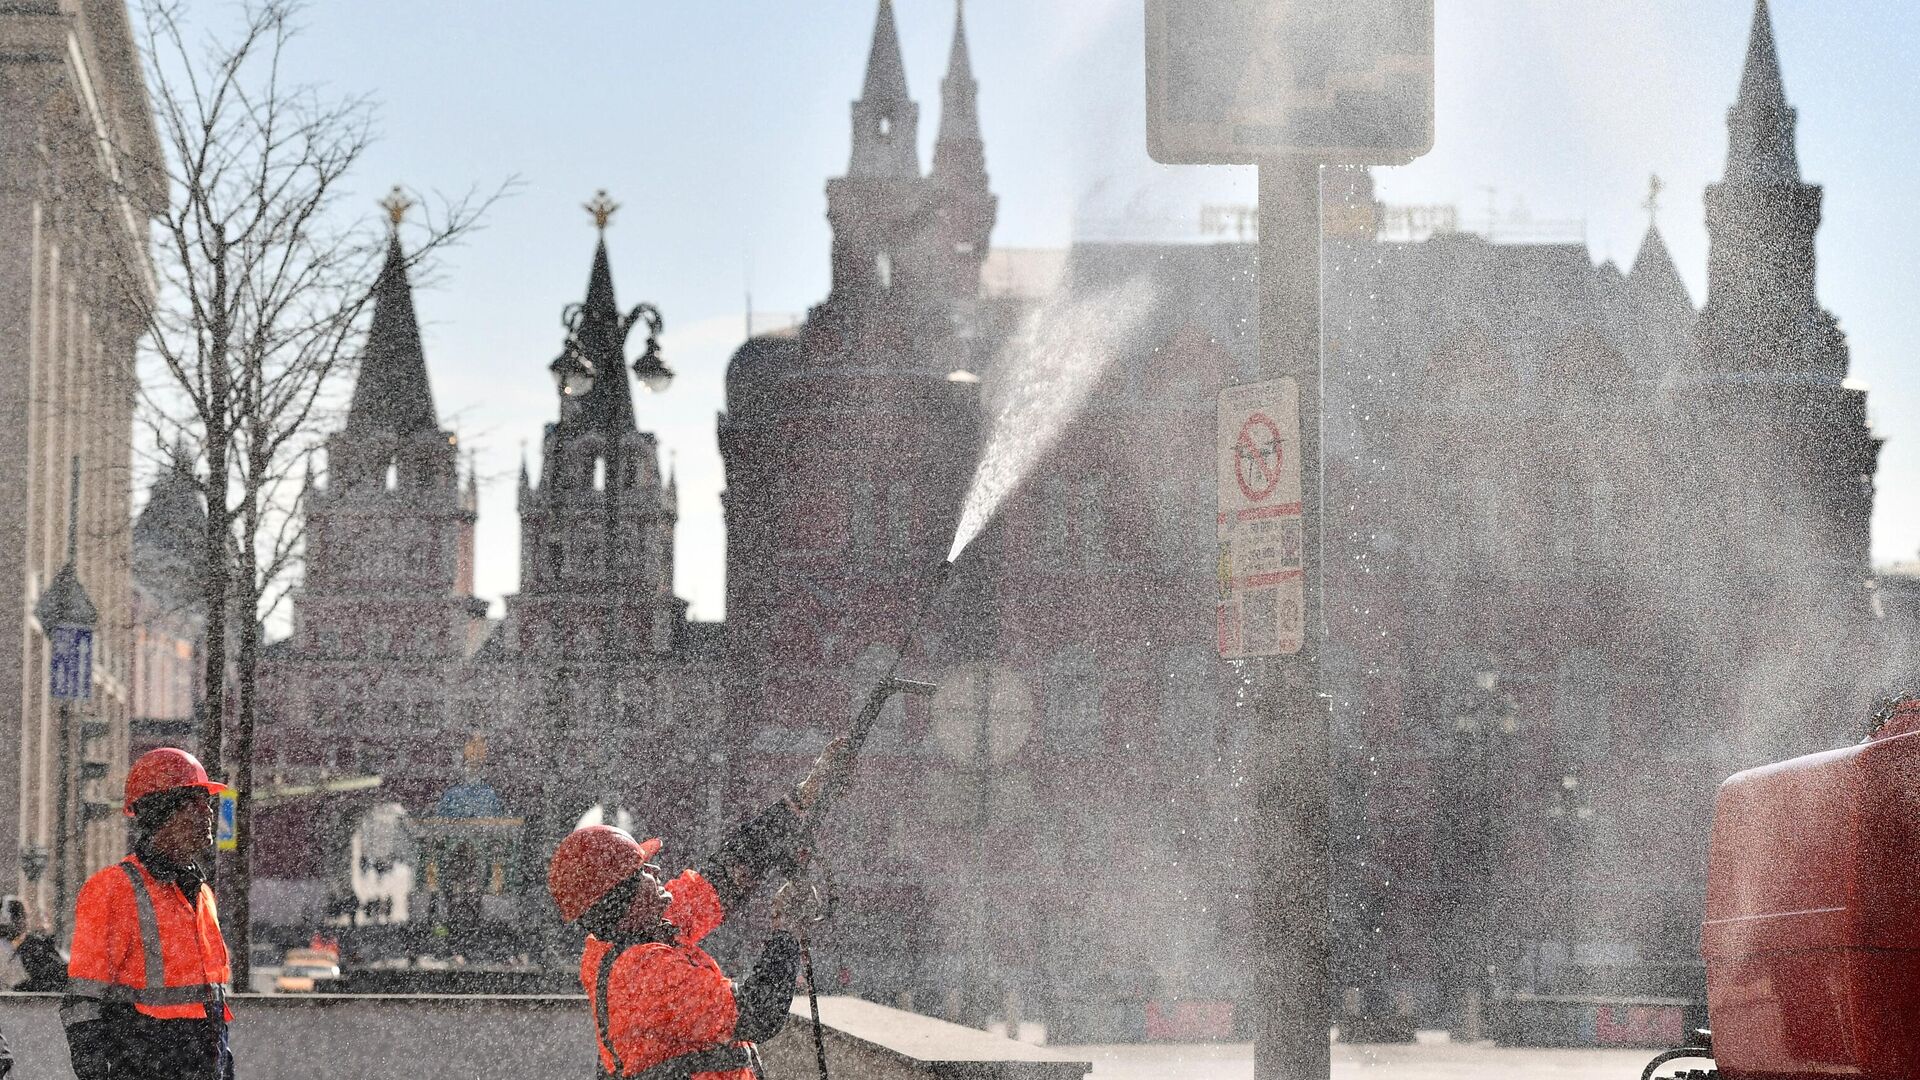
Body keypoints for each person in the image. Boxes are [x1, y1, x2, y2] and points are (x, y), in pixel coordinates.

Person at [548, 738, 851, 1079]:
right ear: (623, 897)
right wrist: (786, 931)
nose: (657, 871)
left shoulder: (631, 936)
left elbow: (725, 877)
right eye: (643, 871)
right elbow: (756, 1013)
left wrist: (805, 794)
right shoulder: (643, 973)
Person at [62, 748, 233, 1080]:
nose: (208, 811)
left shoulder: (202, 894)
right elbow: (82, 1005)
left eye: (206, 802)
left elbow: (211, 1001)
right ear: (162, 814)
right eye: (194, 803)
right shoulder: (113, 889)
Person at [0, 895, 68, 992]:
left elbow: (58, 975)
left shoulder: (31, 945)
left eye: (22, 917)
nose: (23, 922)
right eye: (20, 917)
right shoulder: (27, 945)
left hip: (38, 1000)